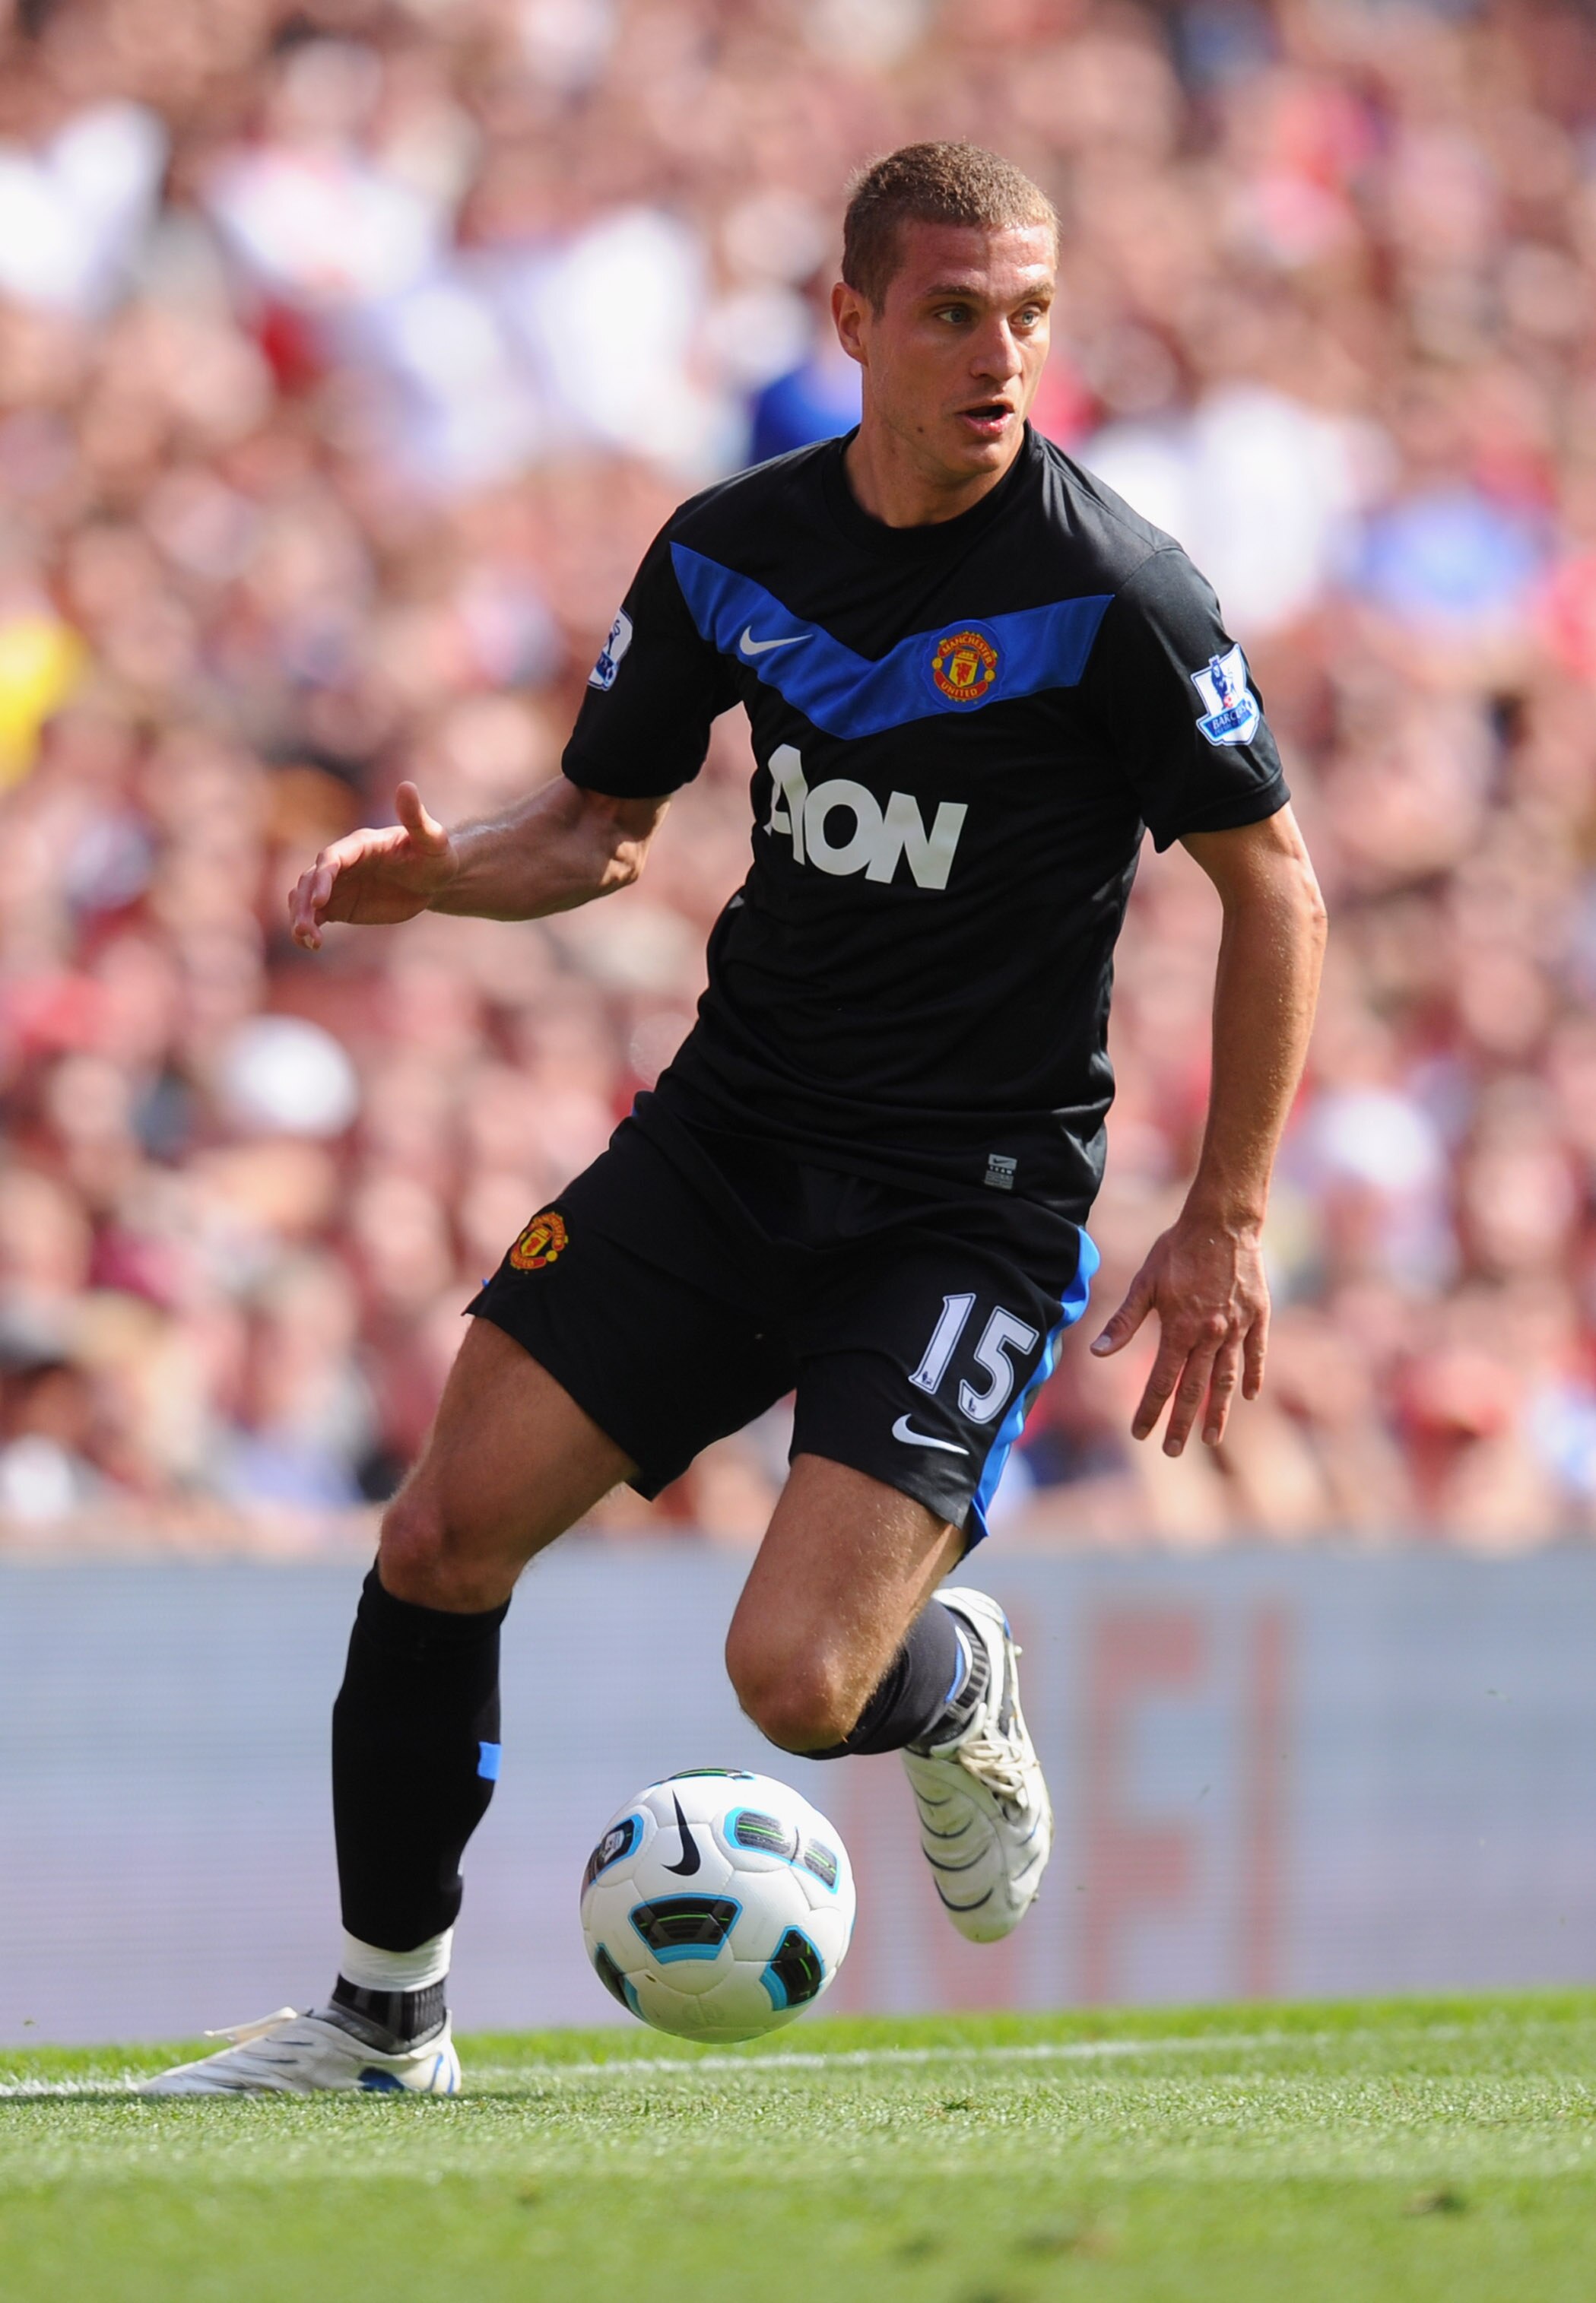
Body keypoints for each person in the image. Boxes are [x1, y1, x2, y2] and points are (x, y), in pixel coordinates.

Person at [145, 141, 1325, 2095]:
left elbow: (1272, 883)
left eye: (1029, 315)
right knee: (438, 1533)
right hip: (725, 1142)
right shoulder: (727, 550)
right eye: (954, 312)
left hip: (967, 1204)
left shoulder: (1113, 588)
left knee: (795, 1684)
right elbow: (597, 834)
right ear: (851, 318)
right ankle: (381, 2024)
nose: (1000, 356)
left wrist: (1230, 1215)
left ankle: (955, 1675)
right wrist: (435, 877)